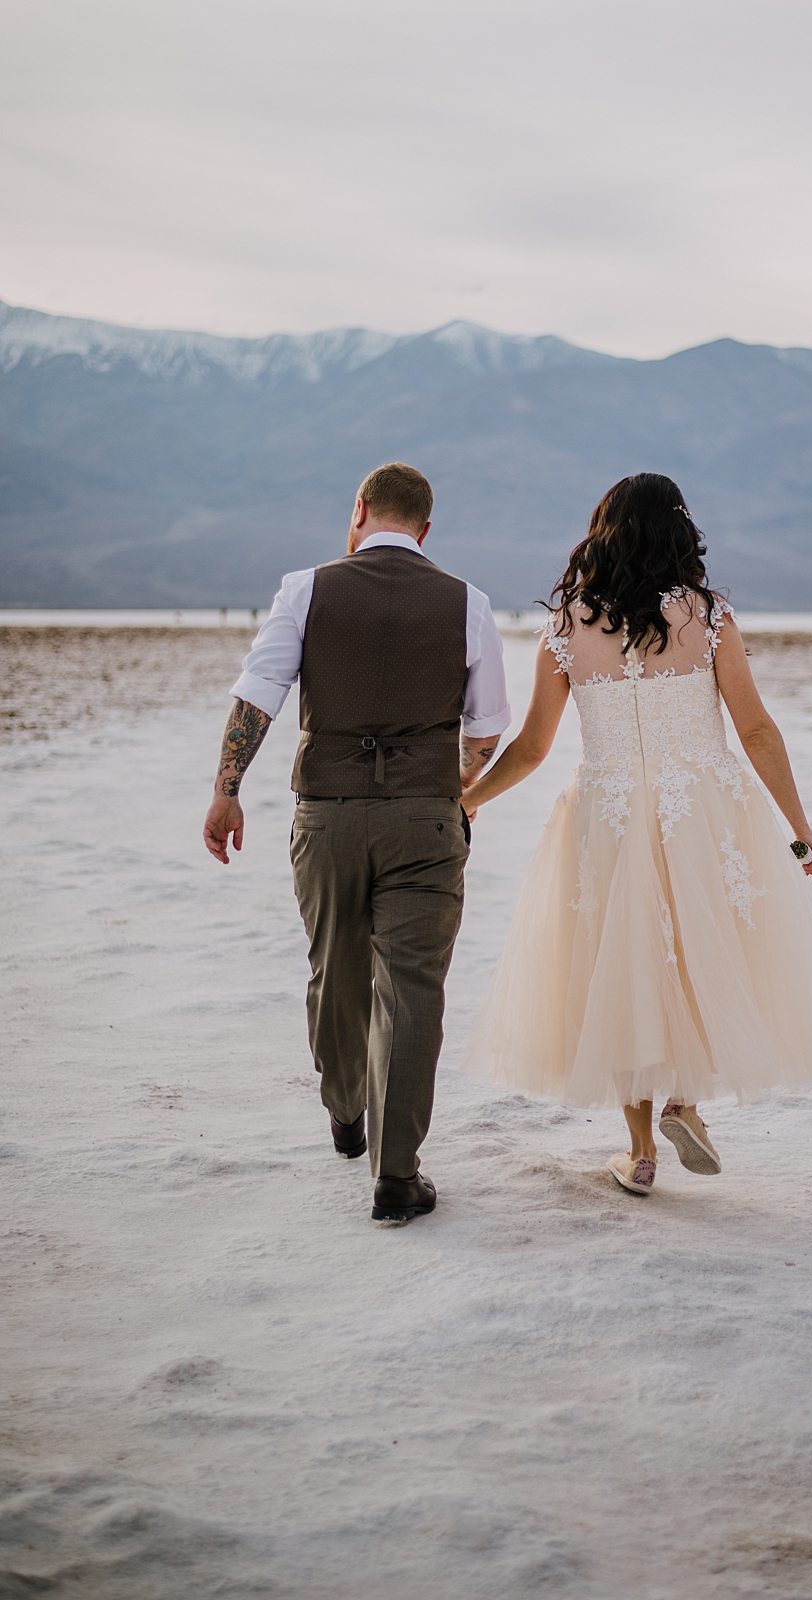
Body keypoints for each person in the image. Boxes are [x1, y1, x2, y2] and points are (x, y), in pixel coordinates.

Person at [459, 473, 812, 1194]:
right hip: (702, 803)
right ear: (679, 532)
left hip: (608, 808)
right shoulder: (707, 614)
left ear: (603, 532)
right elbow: (752, 728)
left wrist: (468, 801)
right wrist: (801, 828)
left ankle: (640, 1151)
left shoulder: (566, 625)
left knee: (619, 963)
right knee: (698, 951)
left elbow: (532, 747)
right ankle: (685, 1103)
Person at [203, 463, 510, 1223]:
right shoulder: (466, 602)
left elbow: (259, 692)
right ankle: (397, 1177)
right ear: (426, 530)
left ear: (359, 512)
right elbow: (487, 728)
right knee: (413, 991)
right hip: (426, 820)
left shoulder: (305, 587)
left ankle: (345, 1108)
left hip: (329, 814)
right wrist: (456, 791)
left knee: (333, 965)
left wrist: (227, 789)